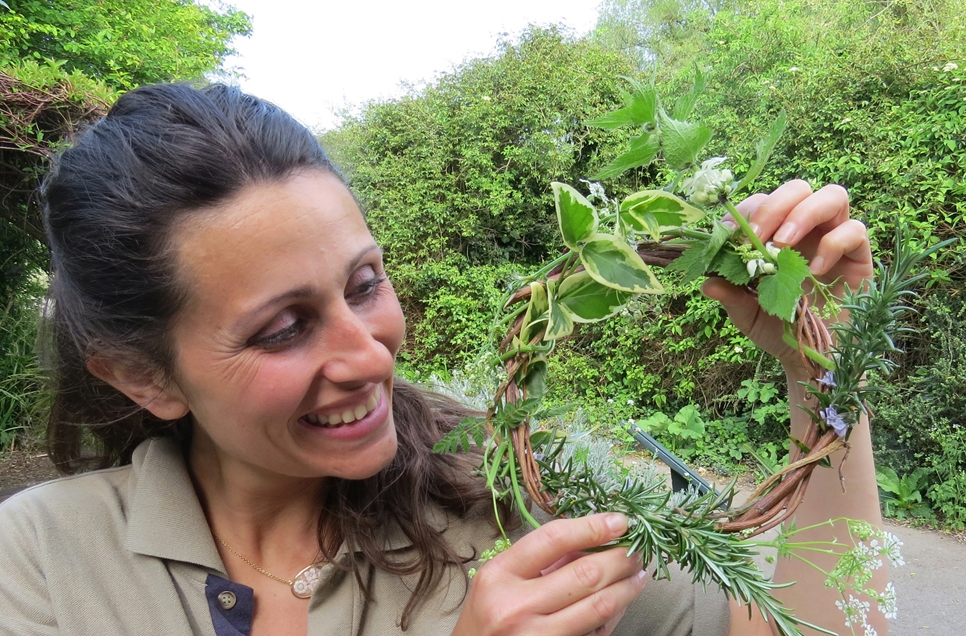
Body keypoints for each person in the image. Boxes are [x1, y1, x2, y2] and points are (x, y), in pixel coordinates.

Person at [0, 82, 887, 636]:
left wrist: (825, 370)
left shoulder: (512, 493)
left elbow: (825, 629)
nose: (369, 355)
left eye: (363, 284)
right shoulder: (44, 559)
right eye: (282, 329)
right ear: (143, 375)